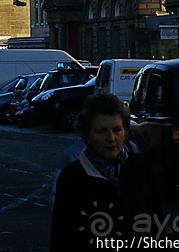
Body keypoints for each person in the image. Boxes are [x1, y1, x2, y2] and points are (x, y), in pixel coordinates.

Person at [50, 93, 162, 251]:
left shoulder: (142, 167)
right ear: (87, 136)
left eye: (117, 130)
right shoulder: (72, 178)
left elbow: (156, 221)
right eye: (102, 131)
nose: (111, 138)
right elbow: (62, 237)